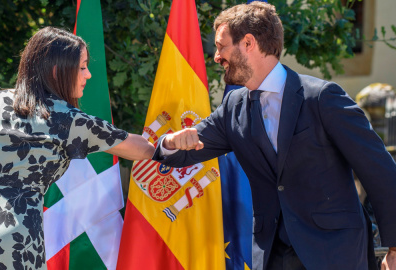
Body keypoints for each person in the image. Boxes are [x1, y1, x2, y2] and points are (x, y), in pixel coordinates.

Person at [153, 2, 396, 270]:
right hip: (271, 257)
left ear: (248, 43)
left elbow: (380, 170)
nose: (216, 56)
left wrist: (394, 246)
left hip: (335, 253)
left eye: (221, 46)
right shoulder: (234, 107)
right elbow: (182, 151)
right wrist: (168, 142)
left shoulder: (322, 97)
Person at [0, 26, 155, 270]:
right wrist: (172, 142)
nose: (88, 74)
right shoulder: (70, 120)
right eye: (82, 67)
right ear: (57, 70)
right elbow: (142, 149)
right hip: (16, 237)